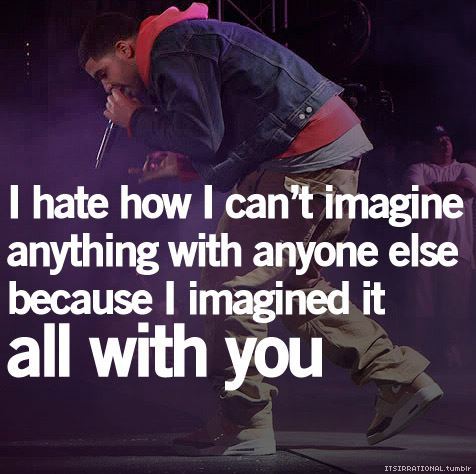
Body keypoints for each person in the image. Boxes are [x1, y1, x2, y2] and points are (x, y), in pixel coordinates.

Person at [79, 3, 443, 455]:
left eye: (103, 74)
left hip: (300, 162)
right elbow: (233, 127)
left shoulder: (172, 46)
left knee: (228, 286)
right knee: (296, 290)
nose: (108, 87)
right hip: (324, 156)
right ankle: (401, 380)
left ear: (124, 48)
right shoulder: (186, 41)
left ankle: (245, 422)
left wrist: (134, 119)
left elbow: (201, 135)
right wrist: (183, 164)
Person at [405, 126, 476, 368]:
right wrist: (452, 189)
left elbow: (469, 188)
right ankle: (422, 351)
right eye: (439, 141)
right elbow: (417, 191)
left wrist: (434, 188)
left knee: (454, 302)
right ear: (430, 147)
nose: (445, 145)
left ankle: (450, 349)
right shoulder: (418, 168)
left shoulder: (466, 168)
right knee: (423, 303)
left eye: (448, 140)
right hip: (425, 248)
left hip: (458, 248)